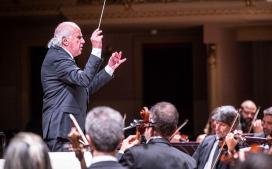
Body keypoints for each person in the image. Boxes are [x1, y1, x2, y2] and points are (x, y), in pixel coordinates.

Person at [41, 21, 126, 152]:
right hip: (61, 132)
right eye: (79, 37)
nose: (83, 41)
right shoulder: (57, 57)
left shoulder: (63, 58)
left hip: (68, 132)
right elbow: (84, 79)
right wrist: (96, 49)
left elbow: (85, 88)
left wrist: (109, 68)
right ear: (65, 41)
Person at [119, 101, 196, 169]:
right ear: (175, 129)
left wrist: (121, 152)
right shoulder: (189, 162)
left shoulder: (133, 155)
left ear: (149, 126)